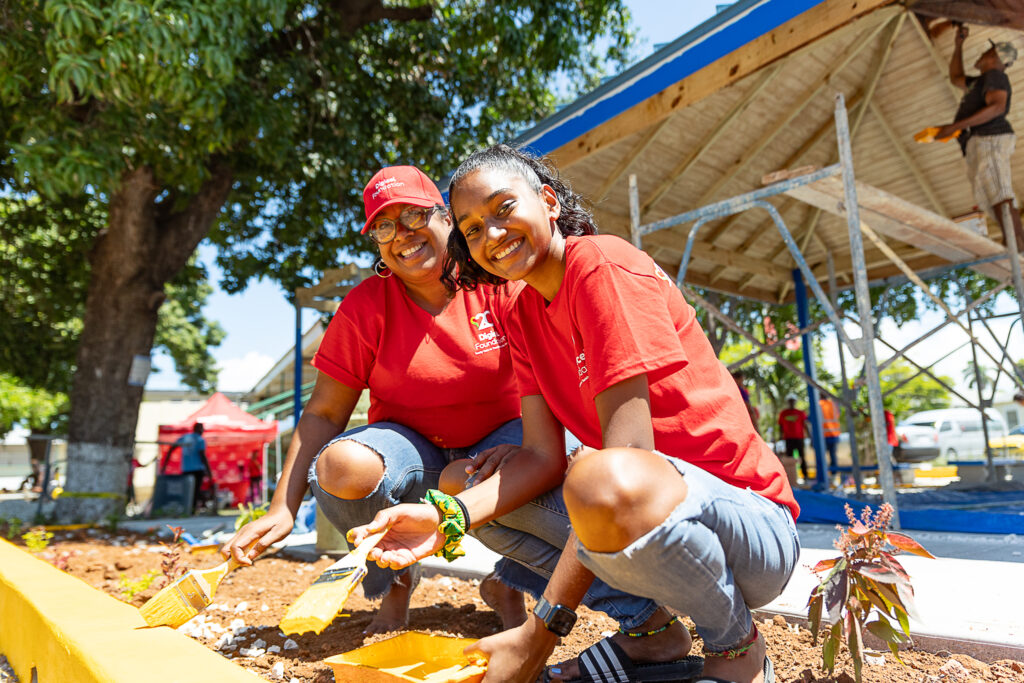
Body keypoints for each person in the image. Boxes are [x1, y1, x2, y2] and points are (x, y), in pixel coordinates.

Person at [351, 145, 799, 683]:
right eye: (471, 229)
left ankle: (738, 649)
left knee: (600, 477)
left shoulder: (600, 265)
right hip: (652, 518)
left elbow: (630, 459)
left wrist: (539, 633)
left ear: (548, 201)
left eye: (503, 209)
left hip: (750, 531)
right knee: (460, 481)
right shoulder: (521, 313)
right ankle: (653, 635)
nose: (491, 235)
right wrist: (446, 516)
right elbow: (540, 458)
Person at [221, 165, 533, 634]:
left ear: (446, 218)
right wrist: (282, 507)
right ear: (377, 245)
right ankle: (394, 586)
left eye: (413, 215)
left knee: (551, 461)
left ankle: (510, 580)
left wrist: (532, 447)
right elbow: (325, 412)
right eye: (384, 226)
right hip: (415, 453)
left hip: (500, 441)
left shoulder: (496, 282)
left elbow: (552, 384)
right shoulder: (366, 305)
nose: (402, 234)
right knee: (342, 465)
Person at [934, 24, 1022, 254]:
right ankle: (1014, 245)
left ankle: (1018, 247)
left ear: (994, 56)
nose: (982, 54)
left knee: (999, 192)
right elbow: (956, 78)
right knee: (990, 195)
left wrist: (955, 126)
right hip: (978, 142)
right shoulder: (980, 82)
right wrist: (958, 45)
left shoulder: (995, 76)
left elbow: (997, 108)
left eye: (987, 51)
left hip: (990, 138)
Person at [160, 422, 213, 515]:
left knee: (188, 491)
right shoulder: (200, 440)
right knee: (195, 491)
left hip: (186, 469)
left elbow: (171, 449)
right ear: (198, 429)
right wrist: (209, 471)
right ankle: (191, 510)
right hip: (197, 470)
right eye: (201, 429)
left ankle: (188, 509)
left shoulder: (185, 438)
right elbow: (202, 456)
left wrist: (165, 465)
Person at [778, 394, 809, 480]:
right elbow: (780, 426)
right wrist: (780, 436)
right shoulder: (783, 413)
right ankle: (790, 477)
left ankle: (805, 476)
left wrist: (810, 437)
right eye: (790, 401)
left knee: (802, 457)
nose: (791, 402)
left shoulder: (800, 413)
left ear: (795, 402)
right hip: (788, 439)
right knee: (790, 458)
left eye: (793, 401)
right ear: (788, 402)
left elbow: (805, 425)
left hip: (799, 438)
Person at [732, 370, 761, 435]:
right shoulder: (741, 391)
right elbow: (749, 409)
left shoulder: (729, 389)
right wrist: (756, 426)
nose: (742, 383)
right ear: (738, 379)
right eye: (742, 380)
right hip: (742, 423)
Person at [819, 396, 841, 472]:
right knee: (833, 456)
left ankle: (824, 474)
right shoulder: (833, 404)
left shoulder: (819, 404)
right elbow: (838, 415)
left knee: (821, 457)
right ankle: (834, 474)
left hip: (823, 435)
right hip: (834, 434)